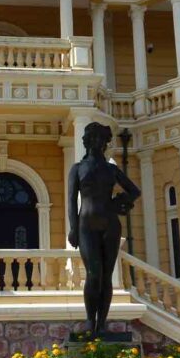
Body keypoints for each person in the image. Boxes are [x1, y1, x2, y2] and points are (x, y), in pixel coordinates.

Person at [67, 122, 140, 337]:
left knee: (106, 275)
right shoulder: (78, 169)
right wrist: (73, 228)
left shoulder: (111, 169)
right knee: (93, 273)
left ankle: (102, 325)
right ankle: (90, 320)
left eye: (104, 140)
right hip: (86, 225)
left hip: (110, 223)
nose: (101, 143)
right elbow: (72, 201)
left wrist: (122, 202)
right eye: (97, 138)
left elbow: (134, 190)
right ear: (89, 140)